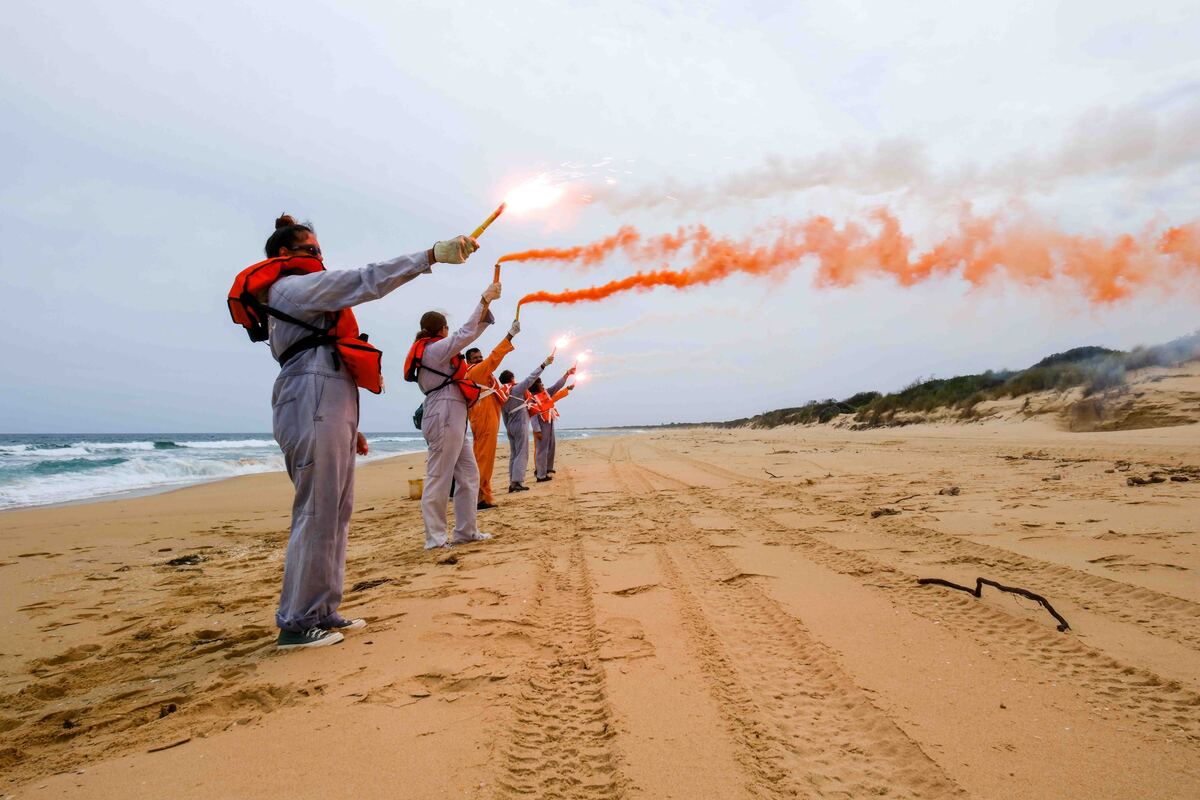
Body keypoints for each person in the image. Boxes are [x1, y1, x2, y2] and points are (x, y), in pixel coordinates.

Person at [228, 214, 478, 650]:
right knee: (318, 509)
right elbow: (367, 280)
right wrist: (429, 256)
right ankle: (297, 621)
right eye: (311, 251)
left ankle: (322, 608)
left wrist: (352, 426)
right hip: (311, 392)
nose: (319, 259)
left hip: (327, 395)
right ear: (284, 255)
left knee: (336, 510)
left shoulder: (301, 288)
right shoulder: (291, 287)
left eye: (320, 252)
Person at [405, 286, 502, 549]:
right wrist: (483, 301)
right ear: (442, 329)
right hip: (443, 412)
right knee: (439, 476)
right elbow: (465, 334)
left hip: (453, 413)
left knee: (469, 474)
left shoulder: (435, 348)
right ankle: (435, 539)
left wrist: (485, 308)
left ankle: (466, 531)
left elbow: (466, 334)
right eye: (447, 327)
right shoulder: (433, 350)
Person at [463, 322, 522, 510]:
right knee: (483, 458)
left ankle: (482, 495)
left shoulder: (483, 374)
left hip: (486, 416)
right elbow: (495, 357)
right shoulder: (476, 372)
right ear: (469, 361)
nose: (480, 360)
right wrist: (510, 335)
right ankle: (479, 497)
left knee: (483, 457)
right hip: (484, 418)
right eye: (476, 358)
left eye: (481, 356)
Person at [498, 353, 555, 492]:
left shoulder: (502, 394)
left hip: (510, 426)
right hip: (520, 423)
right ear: (511, 379)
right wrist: (544, 364)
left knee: (514, 453)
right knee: (522, 453)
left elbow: (504, 414)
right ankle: (517, 482)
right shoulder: (515, 390)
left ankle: (512, 481)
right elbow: (531, 378)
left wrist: (507, 428)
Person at [527, 367, 576, 482]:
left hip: (549, 422)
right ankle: (541, 475)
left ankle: (548, 468)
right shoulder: (532, 399)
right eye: (541, 384)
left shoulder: (546, 393)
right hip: (541, 425)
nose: (543, 385)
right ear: (535, 386)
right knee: (542, 449)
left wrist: (567, 374)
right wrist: (537, 430)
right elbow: (533, 416)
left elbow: (557, 386)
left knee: (551, 446)